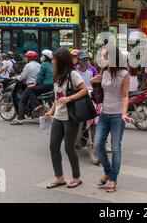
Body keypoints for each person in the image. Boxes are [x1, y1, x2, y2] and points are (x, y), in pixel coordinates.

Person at [91, 45, 134, 193]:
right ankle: (108, 171)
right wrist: (92, 81)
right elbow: (99, 89)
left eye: (105, 56)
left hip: (117, 116)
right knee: (97, 144)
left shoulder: (124, 74)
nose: (103, 59)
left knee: (116, 148)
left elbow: (125, 95)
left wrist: (124, 113)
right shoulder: (104, 72)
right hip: (104, 114)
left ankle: (113, 178)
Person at [44, 48, 88, 189]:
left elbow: (84, 90)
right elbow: (58, 97)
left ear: (61, 60)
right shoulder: (57, 76)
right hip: (58, 116)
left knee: (69, 148)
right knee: (53, 146)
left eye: (54, 59)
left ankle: (76, 177)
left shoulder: (73, 74)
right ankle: (60, 177)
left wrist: (70, 98)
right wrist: (51, 111)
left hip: (70, 117)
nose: (52, 61)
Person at [11, 51, 41, 125]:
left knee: (22, 100)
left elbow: (22, 76)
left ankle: (20, 118)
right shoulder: (39, 65)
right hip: (38, 85)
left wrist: (16, 78)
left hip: (30, 85)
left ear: (29, 58)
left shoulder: (28, 65)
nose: (26, 58)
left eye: (27, 57)